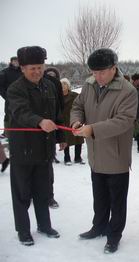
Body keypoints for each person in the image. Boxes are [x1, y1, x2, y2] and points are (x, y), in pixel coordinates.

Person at [70, 48, 138, 254]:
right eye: (93, 72)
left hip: (116, 155)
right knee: (99, 196)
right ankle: (98, 226)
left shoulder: (127, 90)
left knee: (117, 200)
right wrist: (76, 121)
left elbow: (123, 121)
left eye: (101, 72)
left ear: (114, 68)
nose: (97, 76)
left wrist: (93, 129)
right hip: (95, 153)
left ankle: (114, 235)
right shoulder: (89, 86)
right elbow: (77, 106)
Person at [7, 46, 66, 246]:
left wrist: (61, 136)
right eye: (32, 68)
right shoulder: (15, 89)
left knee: (43, 191)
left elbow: (57, 114)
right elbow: (20, 112)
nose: (37, 71)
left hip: (44, 149)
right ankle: (23, 230)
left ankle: (44, 225)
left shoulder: (49, 86)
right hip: (23, 149)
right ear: (22, 68)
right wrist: (39, 121)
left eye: (40, 67)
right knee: (22, 193)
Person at [44, 67, 64, 208]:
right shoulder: (19, 85)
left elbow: (59, 112)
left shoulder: (53, 84)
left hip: (49, 135)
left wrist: (61, 137)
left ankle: (49, 196)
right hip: (29, 136)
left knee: (47, 168)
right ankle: (32, 195)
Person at [60, 78, 85, 166]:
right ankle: (67, 158)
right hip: (63, 121)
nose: (63, 86)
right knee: (65, 139)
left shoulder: (75, 95)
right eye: (61, 84)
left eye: (65, 84)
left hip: (74, 119)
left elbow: (82, 105)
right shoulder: (58, 97)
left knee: (78, 139)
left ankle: (78, 157)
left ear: (68, 86)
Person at [0, 56, 22, 138]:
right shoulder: (5, 72)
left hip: (22, 98)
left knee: (21, 115)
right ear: (11, 62)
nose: (16, 62)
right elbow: (1, 86)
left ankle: (19, 132)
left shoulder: (22, 71)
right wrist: (6, 96)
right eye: (14, 61)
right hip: (10, 99)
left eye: (17, 61)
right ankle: (6, 133)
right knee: (8, 116)